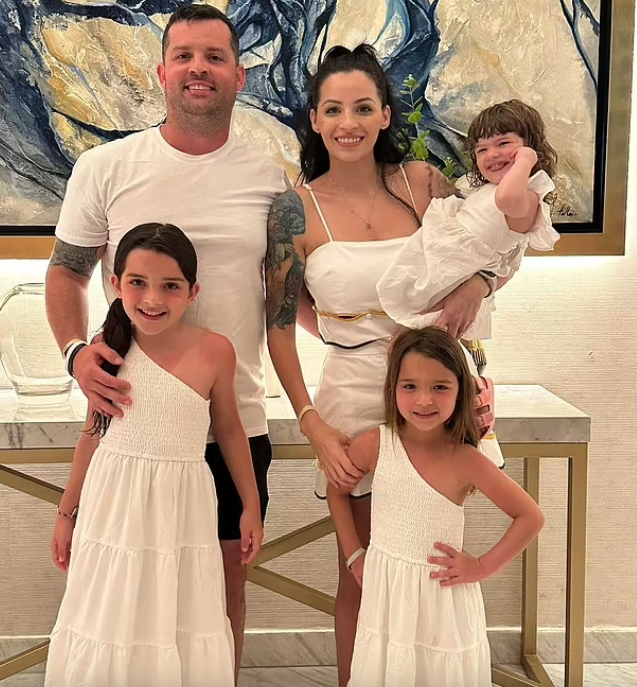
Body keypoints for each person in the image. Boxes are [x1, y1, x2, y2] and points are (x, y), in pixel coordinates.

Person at [44, 5, 287, 672]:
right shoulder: (106, 166)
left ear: (239, 76)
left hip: (233, 419)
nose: (197, 68)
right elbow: (66, 272)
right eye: (183, 55)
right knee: (121, 592)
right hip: (130, 424)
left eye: (213, 56)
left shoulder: (272, 178)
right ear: (161, 72)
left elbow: (290, 301)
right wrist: (75, 354)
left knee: (219, 598)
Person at [265, 44, 507, 687]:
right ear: (314, 119)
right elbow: (281, 325)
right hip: (352, 395)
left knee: (430, 561)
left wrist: (478, 285)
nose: (348, 122)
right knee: (364, 571)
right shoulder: (294, 209)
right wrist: (311, 421)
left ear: (384, 115)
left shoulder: (422, 183)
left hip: (437, 391)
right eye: (333, 109)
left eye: (363, 107)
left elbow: (500, 243)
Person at [45, 223, 263, 687]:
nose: (152, 298)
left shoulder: (215, 352)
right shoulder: (107, 350)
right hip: (113, 505)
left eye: (170, 286)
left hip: (182, 506)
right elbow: (92, 433)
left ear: (193, 291)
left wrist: (251, 505)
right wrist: (66, 514)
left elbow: (229, 429)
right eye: (138, 282)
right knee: (111, 610)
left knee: (177, 609)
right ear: (115, 284)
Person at [327, 327, 545, 686]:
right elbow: (337, 490)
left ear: (460, 390)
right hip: (388, 600)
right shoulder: (376, 444)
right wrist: (354, 554)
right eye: (410, 386)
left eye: (440, 387)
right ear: (393, 387)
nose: (424, 400)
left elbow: (530, 517)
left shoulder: (466, 460)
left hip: (442, 604)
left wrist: (482, 566)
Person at [377, 99, 560, 339]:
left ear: (532, 147)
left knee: (426, 324)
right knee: (411, 312)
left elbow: (506, 199)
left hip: (461, 270)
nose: (492, 154)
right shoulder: (485, 190)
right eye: (481, 150)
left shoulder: (528, 197)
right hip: (447, 259)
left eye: (503, 143)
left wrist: (525, 160)